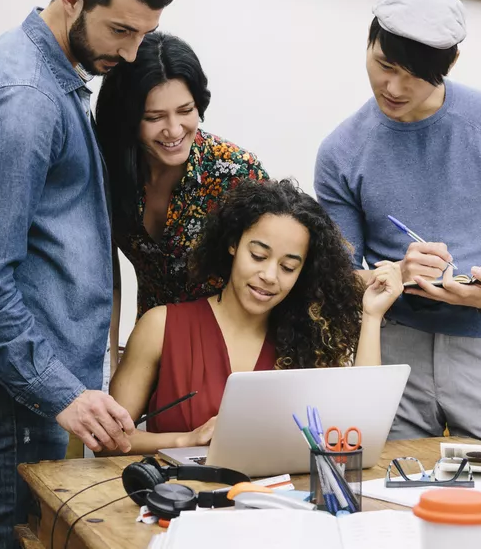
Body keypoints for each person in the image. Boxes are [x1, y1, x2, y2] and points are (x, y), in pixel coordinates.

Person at [0, 0, 179, 548]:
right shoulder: (25, 98)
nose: (134, 53)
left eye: (144, 32)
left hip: (22, 377)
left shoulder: (48, 74)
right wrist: (65, 392)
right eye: (121, 31)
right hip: (11, 383)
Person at [314, 0, 481, 448]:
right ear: (369, 41)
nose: (394, 86)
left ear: (450, 65)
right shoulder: (341, 151)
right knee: (387, 490)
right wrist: (397, 273)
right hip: (393, 348)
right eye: (384, 64)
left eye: (415, 75)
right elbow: (336, 276)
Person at [106, 178, 403, 454]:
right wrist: (185, 440)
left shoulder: (306, 340)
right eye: (258, 256)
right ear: (233, 244)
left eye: (288, 267)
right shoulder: (161, 326)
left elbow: (359, 429)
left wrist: (372, 315)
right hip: (179, 501)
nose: (269, 276)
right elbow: (107, 441)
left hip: (278, 503)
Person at [94, 32, 267, 369]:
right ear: (128, 119)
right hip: (152, 347)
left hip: (229, 353)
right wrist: (108, 364)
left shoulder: (236, 172)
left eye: (185, 111)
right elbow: (106, 277)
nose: (174, 130)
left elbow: (269, 275)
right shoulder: (109, 171)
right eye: (154, 118)